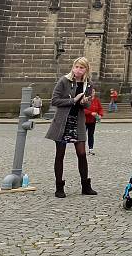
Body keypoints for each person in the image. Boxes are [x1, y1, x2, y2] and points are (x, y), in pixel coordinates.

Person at [45, 57, 97, 198]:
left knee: (82, 153)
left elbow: (86, 105)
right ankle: (59, 187)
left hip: (77, 121)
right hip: (63, 122)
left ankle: (85, 185)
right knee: (60, 155)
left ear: (86, 69)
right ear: (73, 67)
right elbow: (54, 100)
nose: (78, 70)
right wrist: (73, 100)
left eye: (81, 68)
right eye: (76, 67)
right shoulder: (64, 81)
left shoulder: (88, 84)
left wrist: (85, 102)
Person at [83, 87, 104, 156]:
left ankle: (90, 149)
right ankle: (81, 149)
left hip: (92, 121)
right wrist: (90, 113)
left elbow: (100, 108)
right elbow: (82, 109)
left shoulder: (96, 100)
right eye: (91, 92)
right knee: (83, 135)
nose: (92, 93)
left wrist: (100, 115)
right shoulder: (85, 100)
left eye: (93, 91)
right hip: (84, 120)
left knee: (91, 135)